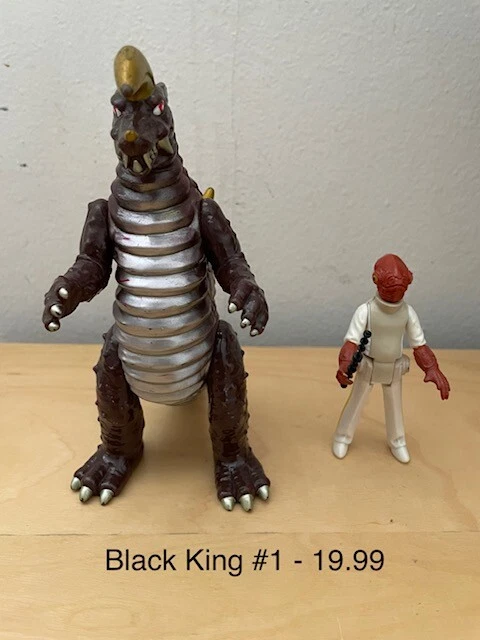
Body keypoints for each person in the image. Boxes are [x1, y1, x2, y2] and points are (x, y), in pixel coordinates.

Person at [333, 254, 450, 463]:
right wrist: (344, 366)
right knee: (356, 403)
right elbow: (351, 342)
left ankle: (397, 442)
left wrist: (432, 367)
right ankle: (342, 437)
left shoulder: (407, 313)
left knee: (395, 408)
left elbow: (419, 344)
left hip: (394, 366)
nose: (395, 288)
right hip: (368, 365)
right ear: (376, 280)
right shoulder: (366, 311)